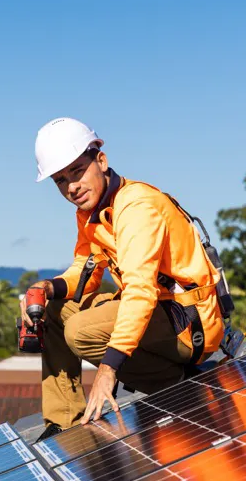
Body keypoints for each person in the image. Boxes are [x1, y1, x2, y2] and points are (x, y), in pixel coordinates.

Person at [25, 117, 228, 436]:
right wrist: (49, 287)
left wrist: (108, 370)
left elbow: (141, 293)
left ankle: (177, 383)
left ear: (101, 161)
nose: (71, 187)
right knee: (55, 310)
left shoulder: (135, 207)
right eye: (60, 180)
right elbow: (85, 272)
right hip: (160, 315)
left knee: (81, 331)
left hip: (188, 322)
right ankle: (63, 422)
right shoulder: (91, 214)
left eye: (77, 172)